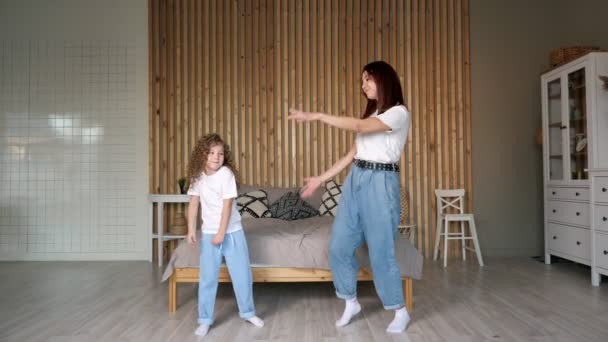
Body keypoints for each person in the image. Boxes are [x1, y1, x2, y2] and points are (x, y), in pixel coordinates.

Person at [288, 61, 411, 333]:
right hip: (356, 180)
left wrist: (317, 116)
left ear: (384, 80)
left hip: (381, 183)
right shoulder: (374, 114)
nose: (363, 85)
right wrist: (321, 178)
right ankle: (350, 301)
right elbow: (352, 154)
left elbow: (358, 125)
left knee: (381, 252)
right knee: (339, 247)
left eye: (368, 79)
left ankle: (399, 310)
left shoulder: (398, 113)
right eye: (362, 81)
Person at [186, 133, 264, 337]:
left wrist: (222, 233)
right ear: (202, 155)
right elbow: (193, 203)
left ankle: (247, 313)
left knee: (242, 276)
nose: (216, 157)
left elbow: (228, 205)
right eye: (211, 153)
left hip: (232, 232)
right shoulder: (197, 177)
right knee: (208, 278)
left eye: (220, 153)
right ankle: (204, 320)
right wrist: (190, 230)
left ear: (225, 156)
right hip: (209, 233)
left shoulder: (226, 174)